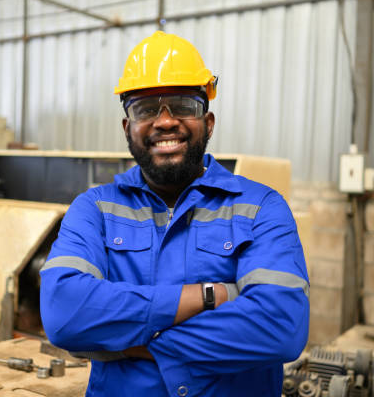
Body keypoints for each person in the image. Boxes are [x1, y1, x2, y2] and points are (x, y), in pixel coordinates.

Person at [40, 31, 309, 397]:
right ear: (128, 128)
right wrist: (209, 296)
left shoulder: (260, 207)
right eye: (145, 109)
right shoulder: (95, 209)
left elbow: (281, 327)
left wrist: (132, 344)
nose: (165, 121)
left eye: (183, 105)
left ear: (208, 122)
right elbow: (64, 314)